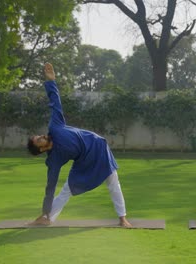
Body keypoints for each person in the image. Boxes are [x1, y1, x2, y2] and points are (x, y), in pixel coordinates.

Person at [27, 63, 132, 227]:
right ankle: (47, 217)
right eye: (38, 139)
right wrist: (44, 209)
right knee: (66, 190)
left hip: (98, 146)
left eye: (39, 135)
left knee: (113, 181)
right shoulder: (53, 160)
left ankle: (122, 218)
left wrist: (51, 82)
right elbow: (50, 186)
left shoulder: (55, 127)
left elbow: (55, 102)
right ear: (40, 149)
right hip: (83, 160)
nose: (41, 135)